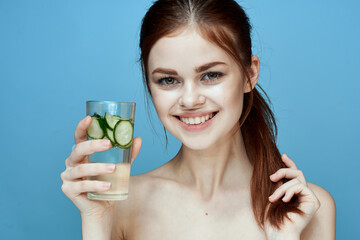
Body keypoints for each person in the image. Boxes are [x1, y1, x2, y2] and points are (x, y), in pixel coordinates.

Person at [60, 0, 336, 239]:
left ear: (250, 74)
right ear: (148, 81)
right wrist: (95, 217)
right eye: (168, 80)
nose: (189, 100)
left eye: (211, 75)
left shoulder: (308, 207)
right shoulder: (120, 203)